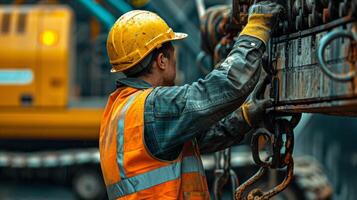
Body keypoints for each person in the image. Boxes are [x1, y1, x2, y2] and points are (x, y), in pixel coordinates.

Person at [99, 1, 283, 199]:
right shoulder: (154, 107)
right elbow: (228, 84)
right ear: (161, 60)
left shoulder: (120, 109)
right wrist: (258, 26)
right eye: (172, 53)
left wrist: (244, 118)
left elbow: (196, 141)